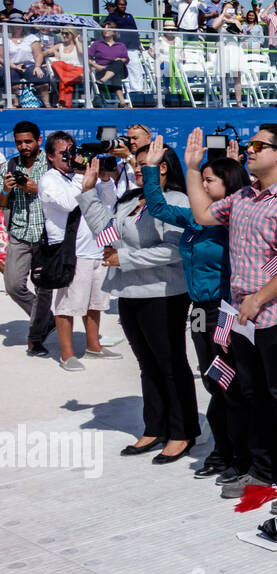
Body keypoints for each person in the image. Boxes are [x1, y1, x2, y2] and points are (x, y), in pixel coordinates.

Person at [183, 123, 277, 509]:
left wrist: (259, 298)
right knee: (252, 393)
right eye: (249, 144)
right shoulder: (243, 195)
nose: (249, 149)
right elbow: (204, 214)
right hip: (243, 314)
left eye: (259, 145)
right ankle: (263, 470)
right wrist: (193, 169)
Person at [78, 146, 197, 463]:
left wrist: (125, 258)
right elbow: (106, 235)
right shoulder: (131, 200)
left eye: (144, 165)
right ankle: (154, 426)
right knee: (148, 365)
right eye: (135, 163)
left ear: (163, 169)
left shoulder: (177, 202)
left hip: (164, 293)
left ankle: (182, 431)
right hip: (129, 293)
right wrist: (88, 191)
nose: (135, 169)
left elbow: (174, 251)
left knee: (171, 363)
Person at [142, 136, 251, 481]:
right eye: (200, 179)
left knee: (230, 383)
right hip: (201, 310)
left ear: (228, 186)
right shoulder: (194, 219)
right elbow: (158, 207)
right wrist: (149, 168)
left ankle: (241, 455)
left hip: (225, 309)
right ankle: (222, 450)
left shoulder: (233, 221)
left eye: (209, 181)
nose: (200, 185)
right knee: (213, 382)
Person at [39, 132, 123, 370]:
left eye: (72, 152)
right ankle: (67, 354)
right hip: (72, 252)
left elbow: (108, 202)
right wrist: (81, 176)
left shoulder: (82, 177)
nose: (70, 157)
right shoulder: (50, 179)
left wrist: (104, 179)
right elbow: (68, 203)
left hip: (96, 248)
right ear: (51, 156)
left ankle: (94, 346)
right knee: (68, 305)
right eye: (64, 154)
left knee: (94, 303)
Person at [2, 121, 55, 355]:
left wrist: (37, 190)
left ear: (39, 140)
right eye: (19, 142)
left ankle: (35, 338)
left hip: (47, 234)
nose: (23, 146)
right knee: (13, 285)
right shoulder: (10, 165)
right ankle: (47, 319)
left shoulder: (52, 164)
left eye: (28, 141)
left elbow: (66, 198)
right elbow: (2, 203)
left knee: (43, 288)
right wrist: (5, 190)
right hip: (20, 233)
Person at [87, 28, 130, 107]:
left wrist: (120, 59)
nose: (106, 31)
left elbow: (126, 59)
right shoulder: (97, 44)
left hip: (118, 70)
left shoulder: (121, 45)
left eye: (109, 29)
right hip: (102, 69)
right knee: (115, 74)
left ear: (114, 32)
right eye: (104, 29)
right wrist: (96, 66)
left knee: (118, 63)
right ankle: (122, 103)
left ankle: (103, 80)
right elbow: (87, 57)